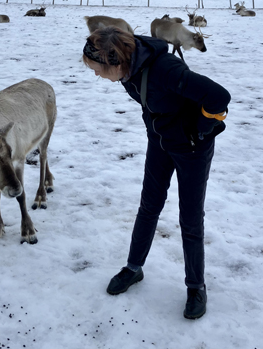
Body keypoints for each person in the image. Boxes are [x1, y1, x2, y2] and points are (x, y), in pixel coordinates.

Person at [82, 26, 231, 320]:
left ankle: (195, 286)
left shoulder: (165, 68)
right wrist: (159, 129)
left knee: (189, 219)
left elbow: (219, 96)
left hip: (191, 149)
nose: (97, 75)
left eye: (98, 69)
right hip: (160, 141)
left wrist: (197, 131)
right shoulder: (127, 72)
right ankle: (133, 268)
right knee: (148, 206)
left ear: (116, 60)